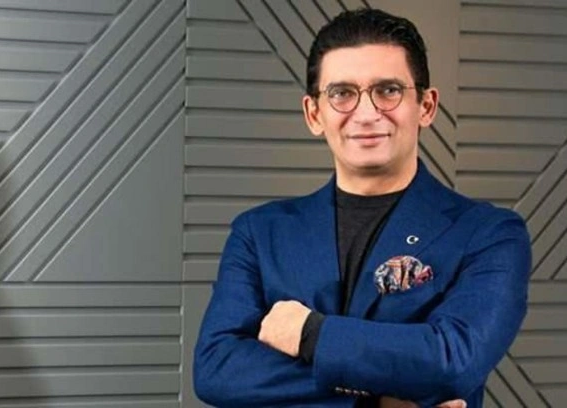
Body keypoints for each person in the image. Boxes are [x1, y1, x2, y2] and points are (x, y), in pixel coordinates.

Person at [193, 8, 530, 408]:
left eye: (388, 90)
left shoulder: (490, 234)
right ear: (314, 114)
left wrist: (310, 334)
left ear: (426, 106)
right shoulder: (259, 232)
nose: (367, 114)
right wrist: (382, 394)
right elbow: (216, 369)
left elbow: (453, 361)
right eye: (342, 93)